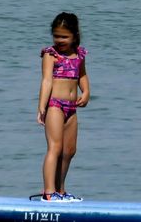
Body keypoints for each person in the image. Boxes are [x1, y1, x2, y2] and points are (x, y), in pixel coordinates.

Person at [38, 12, 90, 202]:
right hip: (55, 106)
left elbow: (82, 76)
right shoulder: (51, 55)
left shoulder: (79, 54)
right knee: (55, 148)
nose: (59, 40)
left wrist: (85, 92)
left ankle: (60, 190)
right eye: (56, 36)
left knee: (69, 151)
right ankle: (49, 192)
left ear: (75, 35)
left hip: (71, 109)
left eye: (64, 36)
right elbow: (46, 81)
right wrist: (42, 107)